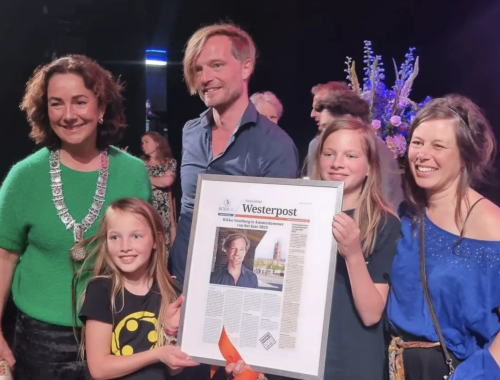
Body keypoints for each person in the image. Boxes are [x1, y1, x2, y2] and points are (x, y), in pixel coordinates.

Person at [0, 55, 152, 380]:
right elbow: (4, 256)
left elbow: (149, 256)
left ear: (101, 109)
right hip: (40, 342)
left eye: (80, 102)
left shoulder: (134, 173)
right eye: (57, 104)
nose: (69, 115)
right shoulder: (23, 178)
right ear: (45, 111)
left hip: (119, 331)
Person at [170, 23, 298, 284]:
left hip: (234, 289)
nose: (205, 78)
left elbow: (278, 232)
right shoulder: (191, 132)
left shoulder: (276, 145)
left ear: (246, 67)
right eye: (198, 69)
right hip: (179, 281)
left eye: (217, 65)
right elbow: (186, 211)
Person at [387, 94, 500, 380]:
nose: (423, 155)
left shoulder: (491, 224)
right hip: (395, 368)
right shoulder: (407, 215)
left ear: (465, 156)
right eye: (417, 142)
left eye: (438, 146)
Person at [308, 115, 400, 380]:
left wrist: (353, 253)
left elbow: (372, 313)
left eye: (351, 156)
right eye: (329, 153)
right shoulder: (303, 211)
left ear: (370, 165)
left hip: (352, 361)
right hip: (304, 356)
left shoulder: (384, 224)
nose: (338, 163)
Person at [77, 198, 199, 379]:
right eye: (115, 237)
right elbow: (99, 369)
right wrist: (158, 354)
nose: (125, 247)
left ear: (157, 240)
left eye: (136, 236)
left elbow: (174, 369)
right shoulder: (101, 290)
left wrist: (171, 333)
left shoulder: (171, 292)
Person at [311, 87, 405, 208]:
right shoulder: (318, 147)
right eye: (329, 154)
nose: (323, 137)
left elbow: (384, 197)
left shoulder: (376, 148)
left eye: (328, 127)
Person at [141, 132, 177, 255]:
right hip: (145, 209)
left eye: (146, 142)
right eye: (142, 143)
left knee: (163, 247)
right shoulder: (140, 164)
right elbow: (136, 182)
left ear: (157, 143)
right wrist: (158, 180)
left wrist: (146, 179)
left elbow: (167, 181)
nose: (143, 145)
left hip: (164, 213)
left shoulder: (169, 162)